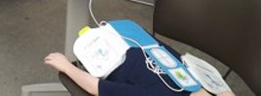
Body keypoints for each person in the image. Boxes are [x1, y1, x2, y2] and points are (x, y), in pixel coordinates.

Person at [44, 50, 235, 96]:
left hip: (108, 59)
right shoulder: (201, 79)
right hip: (139, 45)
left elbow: (99, 88)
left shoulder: (155, 93)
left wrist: (68, 67)